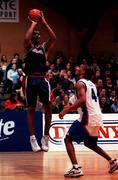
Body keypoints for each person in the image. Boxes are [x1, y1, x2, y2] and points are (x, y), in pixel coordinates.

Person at [59, 65, 118, 178]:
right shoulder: (91, 85)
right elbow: (75, 101)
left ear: (83, 72)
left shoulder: (79, 83)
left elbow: (82, 100)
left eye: (80, 67)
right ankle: (112, 161)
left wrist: (65, 111)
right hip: (97, 117)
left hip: (88, 117)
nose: (77, 68)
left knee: (68, 139)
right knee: (90, 143)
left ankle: (76, 168)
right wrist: (67, 108)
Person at [24, 10, 56, 152]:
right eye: (34, 34)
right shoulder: (28, 47)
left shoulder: (44, 48)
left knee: (47, 108)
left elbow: (54, 38)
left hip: (42, 79)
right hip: (30, 79)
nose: (37, 35)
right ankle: (32, 139)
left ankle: (45, 137)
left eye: (38, 34)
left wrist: (44, 22)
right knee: (31, 109)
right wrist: (33, 24)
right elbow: (26, 39)